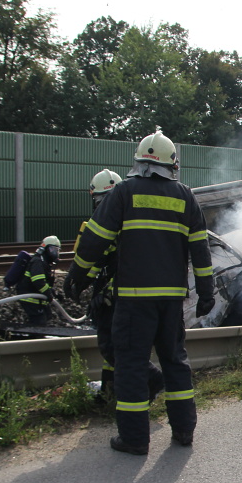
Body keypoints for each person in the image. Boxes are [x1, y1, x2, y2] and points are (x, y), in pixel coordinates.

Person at [64, 128, 215, 455]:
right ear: (172, 164)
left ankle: (134, 439)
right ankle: (184, 431)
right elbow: (201, 251)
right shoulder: (186, 196)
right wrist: (206, 292)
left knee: (131, 364)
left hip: (133, 298)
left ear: (139, 162)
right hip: (171, 300)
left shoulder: (124, 192)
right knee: (175, 361)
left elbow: (95, 238)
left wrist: (77, 274)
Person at [74, 169, 164, 404]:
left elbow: (123, 264)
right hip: (117, 296)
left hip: (118, 297)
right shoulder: (130, 223)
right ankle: (110, 391)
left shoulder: (116, 227)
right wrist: (89, 282)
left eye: (103, 200)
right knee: (112, 346)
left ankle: (152, 379)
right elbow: (101, 263)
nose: (103, 206)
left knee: (116, 347)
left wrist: (98, 287)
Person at [17, 236, 61, 326]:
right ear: (45, 249)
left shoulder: (44, 262)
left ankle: (34, 335)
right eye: (53, 250)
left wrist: (54, 293)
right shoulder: (38, 261)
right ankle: (35, 338)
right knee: (39, 322)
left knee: (47, 316)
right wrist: (49, 295)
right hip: (30, 298)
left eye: (57, 250)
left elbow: (44, 283)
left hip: (37, 298)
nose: (55, 253)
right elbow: (38, 281)